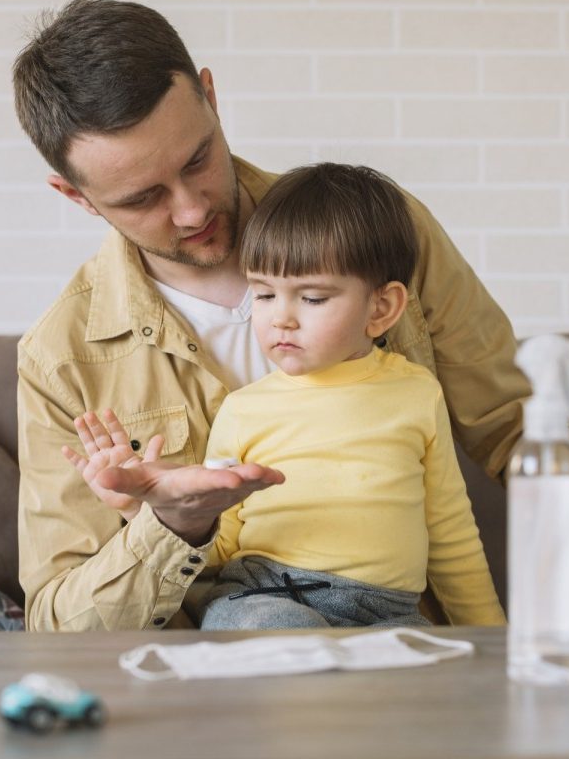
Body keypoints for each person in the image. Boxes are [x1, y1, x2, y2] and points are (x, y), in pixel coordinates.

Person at [12, 0, 569, 632]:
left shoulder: (375, 229)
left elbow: (513, 415)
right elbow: (57, 624)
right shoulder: (61, 359)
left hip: (400, 638)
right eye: (144, 197)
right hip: (222, 675)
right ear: (77, 197)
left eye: (198, 159)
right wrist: (168, 522)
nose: (192, 211)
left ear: (211, 96)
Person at [68, 163, 506, 630]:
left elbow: (449, 530)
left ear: (381, 309)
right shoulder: (244, 409)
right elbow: (222, 547)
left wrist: (491, 638)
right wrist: (149, 506)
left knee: (427, 666)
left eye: (312, 299)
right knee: (274, 629)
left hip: (387, 611)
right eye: (263, 295)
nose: (282, 319)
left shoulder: (417, 394)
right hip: (263, 593)